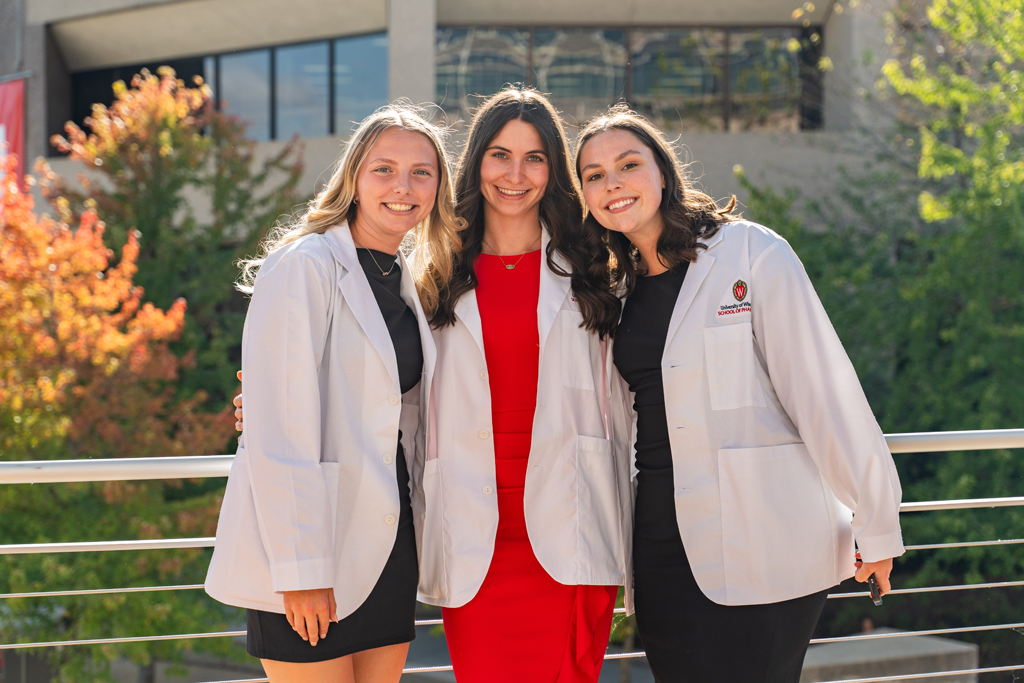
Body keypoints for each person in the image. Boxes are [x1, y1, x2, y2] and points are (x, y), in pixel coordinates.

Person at [573, 105, 905, 683]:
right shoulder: (614, 289)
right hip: (658, 542)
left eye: (628, 164)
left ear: (663, 173)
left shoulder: (751, 254)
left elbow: (823, 393)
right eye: (594, 175)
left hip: (764, 535)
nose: (613, 183)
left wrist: (876, 522)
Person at [205, 104, 462, 683]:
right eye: (384, 168)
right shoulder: (305, 265)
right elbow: (279, 428)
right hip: (310, 551)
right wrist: (301, 570)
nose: (403, 186)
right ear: (353, 177)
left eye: (422, 172)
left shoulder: (407, 281)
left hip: (388, 544)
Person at [416, 87, 628, 683]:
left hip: (571, 522)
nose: (515, 174)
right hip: (473, 531)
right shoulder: (434, 273)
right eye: (499, 155)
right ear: (476, 162)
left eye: (534, 158)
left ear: (554, 172)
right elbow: (387, 383)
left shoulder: (594, 269)